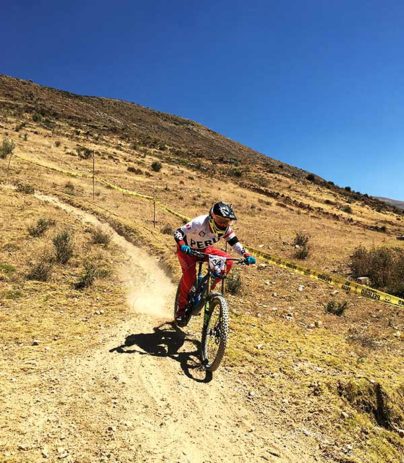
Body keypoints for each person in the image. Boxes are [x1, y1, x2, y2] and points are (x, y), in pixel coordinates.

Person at [173, 201, 256, 326]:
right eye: (220, 220)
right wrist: (183, 245)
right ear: (212, 217)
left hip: (205, 250)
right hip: (187, 251)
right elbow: (178, 232)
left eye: (227, 221)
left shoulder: (226, 229)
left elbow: (235, 243)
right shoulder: (199, 223)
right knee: (189, 278)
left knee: (227, 261)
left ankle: (208, 287)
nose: (223, 223)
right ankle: (181, 309)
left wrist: (246, 254)